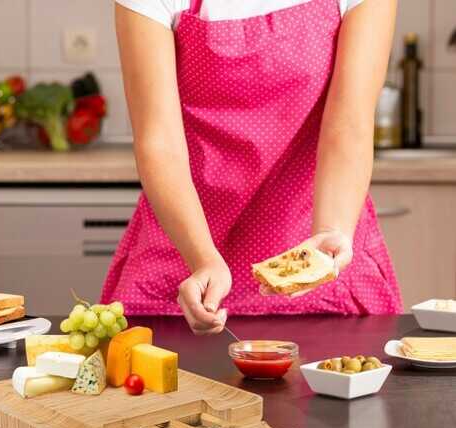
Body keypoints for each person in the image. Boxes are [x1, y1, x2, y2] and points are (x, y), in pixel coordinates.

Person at [101, 0, 402, 335]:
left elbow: (349, 126)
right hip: (184, 258)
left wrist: (330, 232)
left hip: (317, 254)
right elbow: (160, 143)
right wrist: (203, 258)